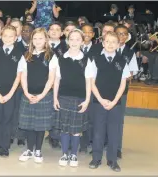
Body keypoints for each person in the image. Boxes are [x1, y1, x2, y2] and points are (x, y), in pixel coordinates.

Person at [88, 32, 130, 172]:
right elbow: (92, 82)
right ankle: (96, 158)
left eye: (114, 42)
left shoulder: (122, 61)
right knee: (98, 132)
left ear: (118, 45)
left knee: (114, 132)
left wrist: (114, 101)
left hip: (115, 103)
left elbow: (123, 84)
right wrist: (100, 99)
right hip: (98, 102)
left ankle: (112, 160)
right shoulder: (96, 60)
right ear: (103, 43)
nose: (110, 44)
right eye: (108, 41)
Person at [52, 29, 93, 167]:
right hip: (63, 97)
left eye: (77, 39)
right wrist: (55, 98)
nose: (74, 42)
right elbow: (57, 80)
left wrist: (87, 100)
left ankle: (74, 154)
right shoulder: (61, 58)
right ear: (67, 41)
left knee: (76, 130)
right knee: (64, 128)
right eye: (72, 39)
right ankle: (64, 154)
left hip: (79, 99)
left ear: (82, 41)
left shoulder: (87, 60)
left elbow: (89, 81)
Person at [18, 28, 55, 163]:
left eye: (40, 38)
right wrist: (27, 93)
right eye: (35, 38)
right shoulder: (27, 54)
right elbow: (23, 75)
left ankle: (38, 150)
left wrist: (41, 95)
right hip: (28, 94)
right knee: (29, 124)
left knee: (40, 125)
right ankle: (29, 149)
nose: (38, 41)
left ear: (46, 39)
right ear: (31, 40)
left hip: (44, 95)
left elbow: (51, 78)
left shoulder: (51, 55)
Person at [0, 25, 23, 156]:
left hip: (11, 93)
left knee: (8, 118)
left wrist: (10, 94)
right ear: (1, 37)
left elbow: (18, 77)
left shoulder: (19, 54)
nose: (8, 38)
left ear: (15, 38)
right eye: (5, 36)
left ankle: (5, 146)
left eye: (11, 36)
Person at [115, 25, 139, 159]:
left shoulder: (130, 53)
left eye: (124, 34)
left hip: (121, 91)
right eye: (119, 33)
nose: (122, 36)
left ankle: (117, 147)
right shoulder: (106, 49)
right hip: (104, 90)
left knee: (118, 121)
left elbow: (130, 73)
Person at [45, 21, 68, 148]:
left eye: (57, 29)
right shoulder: (42, 44)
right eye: (52, 29)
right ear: (48, 32)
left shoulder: (66, 47)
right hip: (43, 83)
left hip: (59, 83)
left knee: (57, 110)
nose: (54, 31)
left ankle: (54, 136)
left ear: (62, 33)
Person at [79, 23, 95, 153]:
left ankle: (86, 142)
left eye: (90, 32)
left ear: (93, 35)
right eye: (84, 32)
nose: (87, 34)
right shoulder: (74, 47)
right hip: (76, 87)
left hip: (91, 86)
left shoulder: (97, 49)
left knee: (89, 117)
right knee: (77, 115)